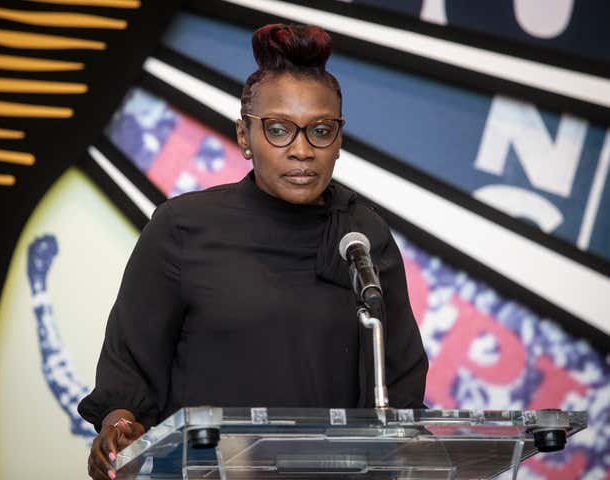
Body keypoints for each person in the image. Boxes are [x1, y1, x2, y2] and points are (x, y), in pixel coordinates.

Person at [79, 23, 428, 480]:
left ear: (339, 140)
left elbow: (399, 385)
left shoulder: (362, 237)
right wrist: (120, 427)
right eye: (279, 129)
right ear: (245, 136)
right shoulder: (183, 228)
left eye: (321, 130)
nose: (302, 150)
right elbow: (130, 371)